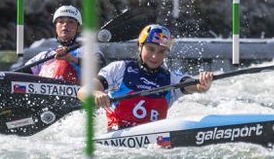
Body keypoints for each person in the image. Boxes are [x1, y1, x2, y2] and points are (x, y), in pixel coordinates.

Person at [78, 24, 214, 130]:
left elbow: (191, 85)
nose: (155, 56)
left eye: (161, 52)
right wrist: (96, 94)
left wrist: (202, 85)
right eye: (150, 49)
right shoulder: (119, 68)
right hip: (117, 137)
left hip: (154, 144)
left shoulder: (170, 78)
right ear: (140, 46)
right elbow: (82, 92)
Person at [24, 4, 103, 84]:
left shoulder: (87, 48)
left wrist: (72, 59)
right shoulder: (44, 56)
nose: (65, 25)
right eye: (61, 22)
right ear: (55, 27)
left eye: (71, 22)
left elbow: (100, 66)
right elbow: (20, 75)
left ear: (78, 28)